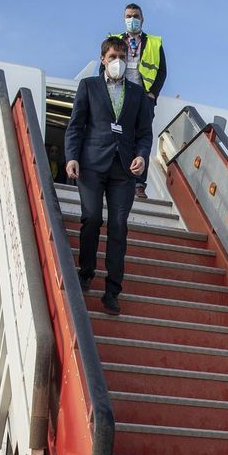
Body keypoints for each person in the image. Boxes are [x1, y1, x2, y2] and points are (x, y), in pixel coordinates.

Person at [66, 36, 153, 315]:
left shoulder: (137, 94)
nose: (118, 62)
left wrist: (142, 156)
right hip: (92, 164)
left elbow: (144, 134)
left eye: (123, 57)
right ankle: (86, 272)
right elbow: (76, 125)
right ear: (103, 58)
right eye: (113, 56)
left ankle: (112, 291)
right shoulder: (88, 86)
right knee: (92, 218)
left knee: (118, 226)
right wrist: (72, 157)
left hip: (123, 169)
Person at [111, 3, 166, 201]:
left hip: (143, 97)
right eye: (128, 16)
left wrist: (153, 94)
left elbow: (162, 71)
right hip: (120, 94)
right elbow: (105, 66)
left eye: (135, 16)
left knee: (142, 138)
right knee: (116, 135)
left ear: (142, 19)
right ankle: (115, 177)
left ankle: (139, 185)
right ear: (123, 19)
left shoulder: (153, 42)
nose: (131, 19)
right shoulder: (115, 40)